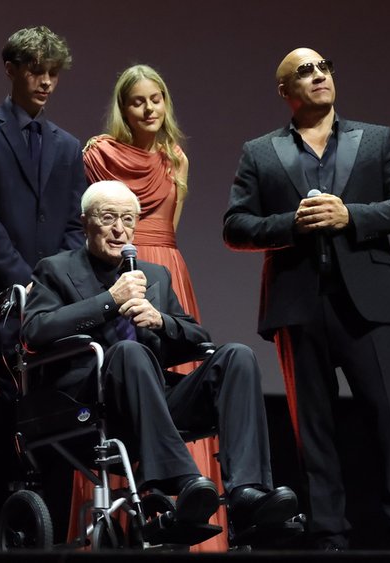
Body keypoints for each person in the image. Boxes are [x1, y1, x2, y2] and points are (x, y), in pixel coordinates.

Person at [222, 47, 390, 552]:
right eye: (304, 72)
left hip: (367, 303)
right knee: (312, 429)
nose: (318, 76)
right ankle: (328, 536)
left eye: (323, 68)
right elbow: (235, 227)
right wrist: (290, 225)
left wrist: (351, 216)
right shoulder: (261, 151)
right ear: (285, 91)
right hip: (297, 305)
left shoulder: (376, 139)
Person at [22, 180, 299, 543]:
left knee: (237, 356)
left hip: (152, 398)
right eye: (108, 218)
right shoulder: (55, 269)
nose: (120, 229)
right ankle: (182, 483)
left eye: (128, 219)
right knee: (130, 351)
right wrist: (108, 300)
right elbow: (36, 331)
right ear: (86, 222)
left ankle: (247, 493)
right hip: (91, 403)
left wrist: (161, 320)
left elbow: (198, 337)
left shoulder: (153, 275)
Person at [79, 64, 226, 551]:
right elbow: (114, 220)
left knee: (179, 369)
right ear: (123, 108)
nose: (149, 109)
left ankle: (190, 508)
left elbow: (166, 227)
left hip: (164, 267)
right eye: (137, 101)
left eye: (156, 99)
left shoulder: (175, 159)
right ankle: (131, 514)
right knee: (127, 374)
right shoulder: (100, 152)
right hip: (121, 264)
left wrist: (161, 277)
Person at [0, 25, 88, 533]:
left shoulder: (68, 144)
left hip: (54, 307)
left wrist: (55, 285)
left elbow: (76, 225)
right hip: (3, 303)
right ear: (10, 69)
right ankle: (2, 528)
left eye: (53, 72)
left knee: (57, 414)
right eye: (36, 70)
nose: (46, 81)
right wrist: (27, 283)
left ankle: (48, 527)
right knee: (11, 411)